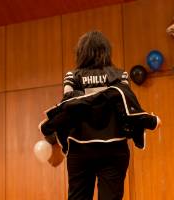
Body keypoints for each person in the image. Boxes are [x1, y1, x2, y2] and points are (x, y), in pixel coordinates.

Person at [39, 30, 161, 200]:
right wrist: (150, 121)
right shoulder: (120, 75)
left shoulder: (72, 77)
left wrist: (53, 136)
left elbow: (67, 107)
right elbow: (126, 110)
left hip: (80, 149)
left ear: (81, 53)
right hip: (114, 149)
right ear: (106, 52)